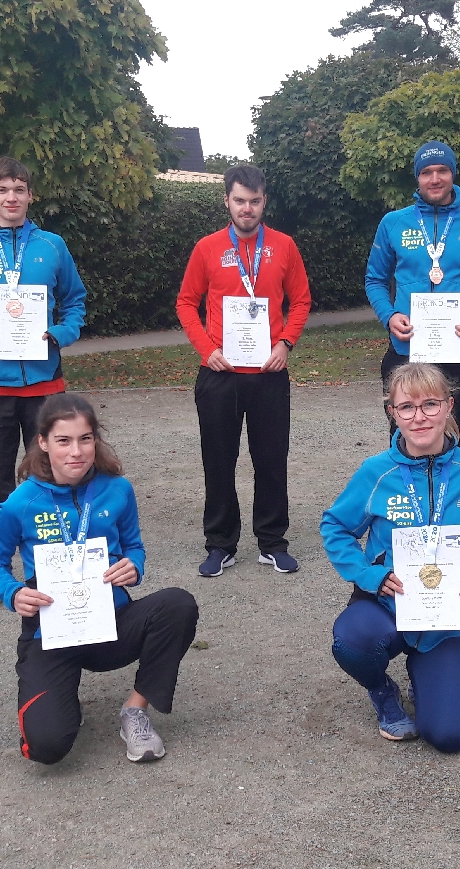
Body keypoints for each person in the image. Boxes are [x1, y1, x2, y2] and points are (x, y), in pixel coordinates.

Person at [0, 394, 200, 764]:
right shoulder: (21, 503)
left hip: (110, 624)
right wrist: (13, 592)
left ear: (95, 439)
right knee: (47, 747)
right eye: (64, 441)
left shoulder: (118, 489)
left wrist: (133, 567)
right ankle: (62, 701)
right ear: (43, 442)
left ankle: (135, 711)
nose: (76, 452)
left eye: (85, 439)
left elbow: (134, 546)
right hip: (51, 633)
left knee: (178, 604)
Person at [321, 363, 460, 753]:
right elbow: (336, 526)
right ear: (393, 414)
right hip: (386, 602)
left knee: (449, 737)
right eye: (406, 407)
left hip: (446, 613)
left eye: (430, 404)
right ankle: (382, 691)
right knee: (352, 641)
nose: (419, 416)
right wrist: (367, 575)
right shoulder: (375, 471)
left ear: (449, 406)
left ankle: (424, 673)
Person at [0, 157, 87, 613]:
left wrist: (60, 334)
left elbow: (76, 301)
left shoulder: (52, 246)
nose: (11, 197)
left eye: (19, 189)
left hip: (46, 389)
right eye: (2, 189)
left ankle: (56, 572)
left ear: (30, 195)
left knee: (52, 478)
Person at [176, 164, 312, 577]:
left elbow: (302, 300)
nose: (247, 208)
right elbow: (186, 303)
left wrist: (286, 342)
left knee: (271, 459)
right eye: (239, 201)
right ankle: (221, 544)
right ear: (227, 201)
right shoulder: (207, 248)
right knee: (218, 460)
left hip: (269, 372)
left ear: (264, 201)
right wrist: (207, 348)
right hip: (220, 372)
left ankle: (272, 542)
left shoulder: (284, 246)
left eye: (254, 201)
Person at [364, 141, 460, 455]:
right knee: (405, 443)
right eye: (426, 172)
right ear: (417, 178)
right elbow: (374, 280)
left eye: (442, 170)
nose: (435, 178)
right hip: (407, 349)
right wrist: (389, 316)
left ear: (452, 173)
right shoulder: (394, 223)